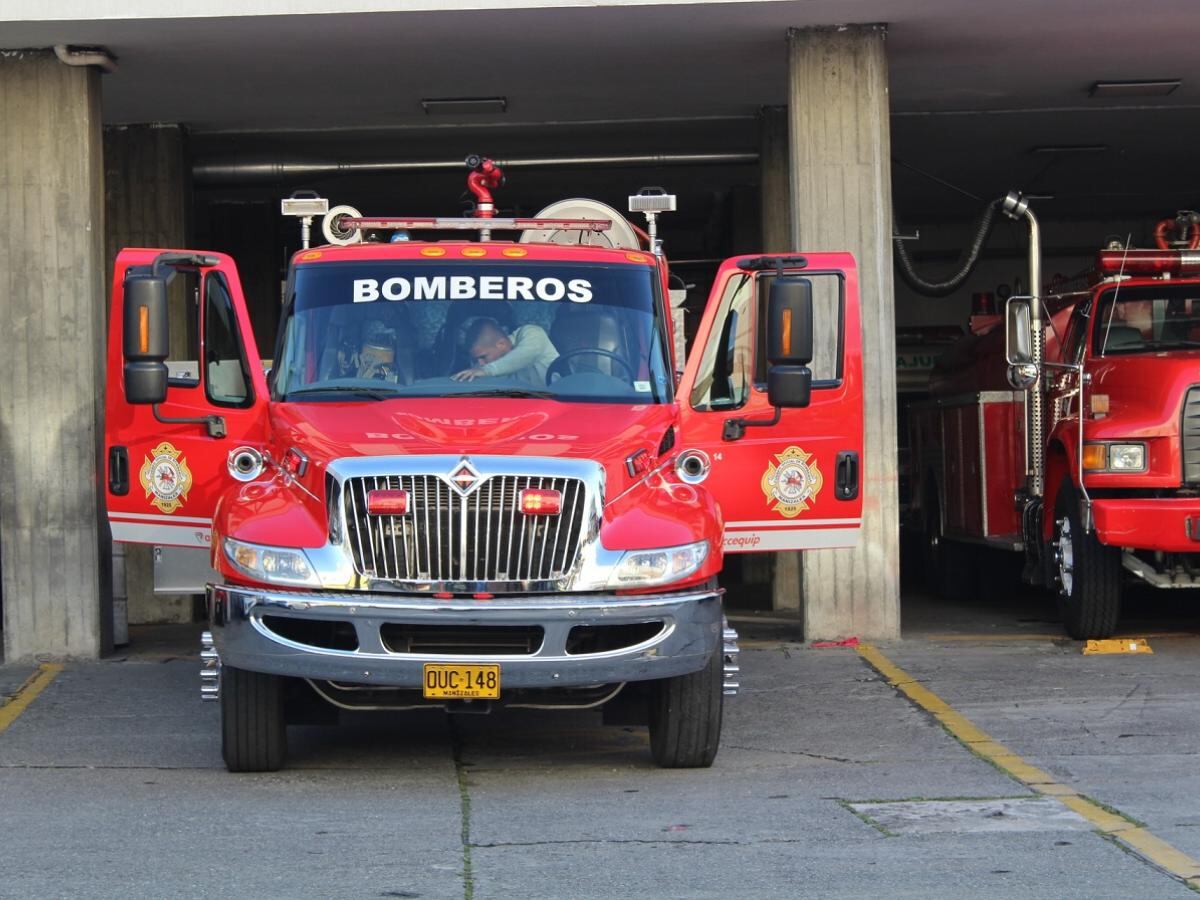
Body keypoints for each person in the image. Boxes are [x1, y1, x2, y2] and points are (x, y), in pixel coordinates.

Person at [452, 317, 559, 386]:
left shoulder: (532, 333)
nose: (480, 363)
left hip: (559, 402)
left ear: (501, 344)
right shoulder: (485, 367)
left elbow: (523, 356)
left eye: (483, 357)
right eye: (477, 359)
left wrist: (486, 371)